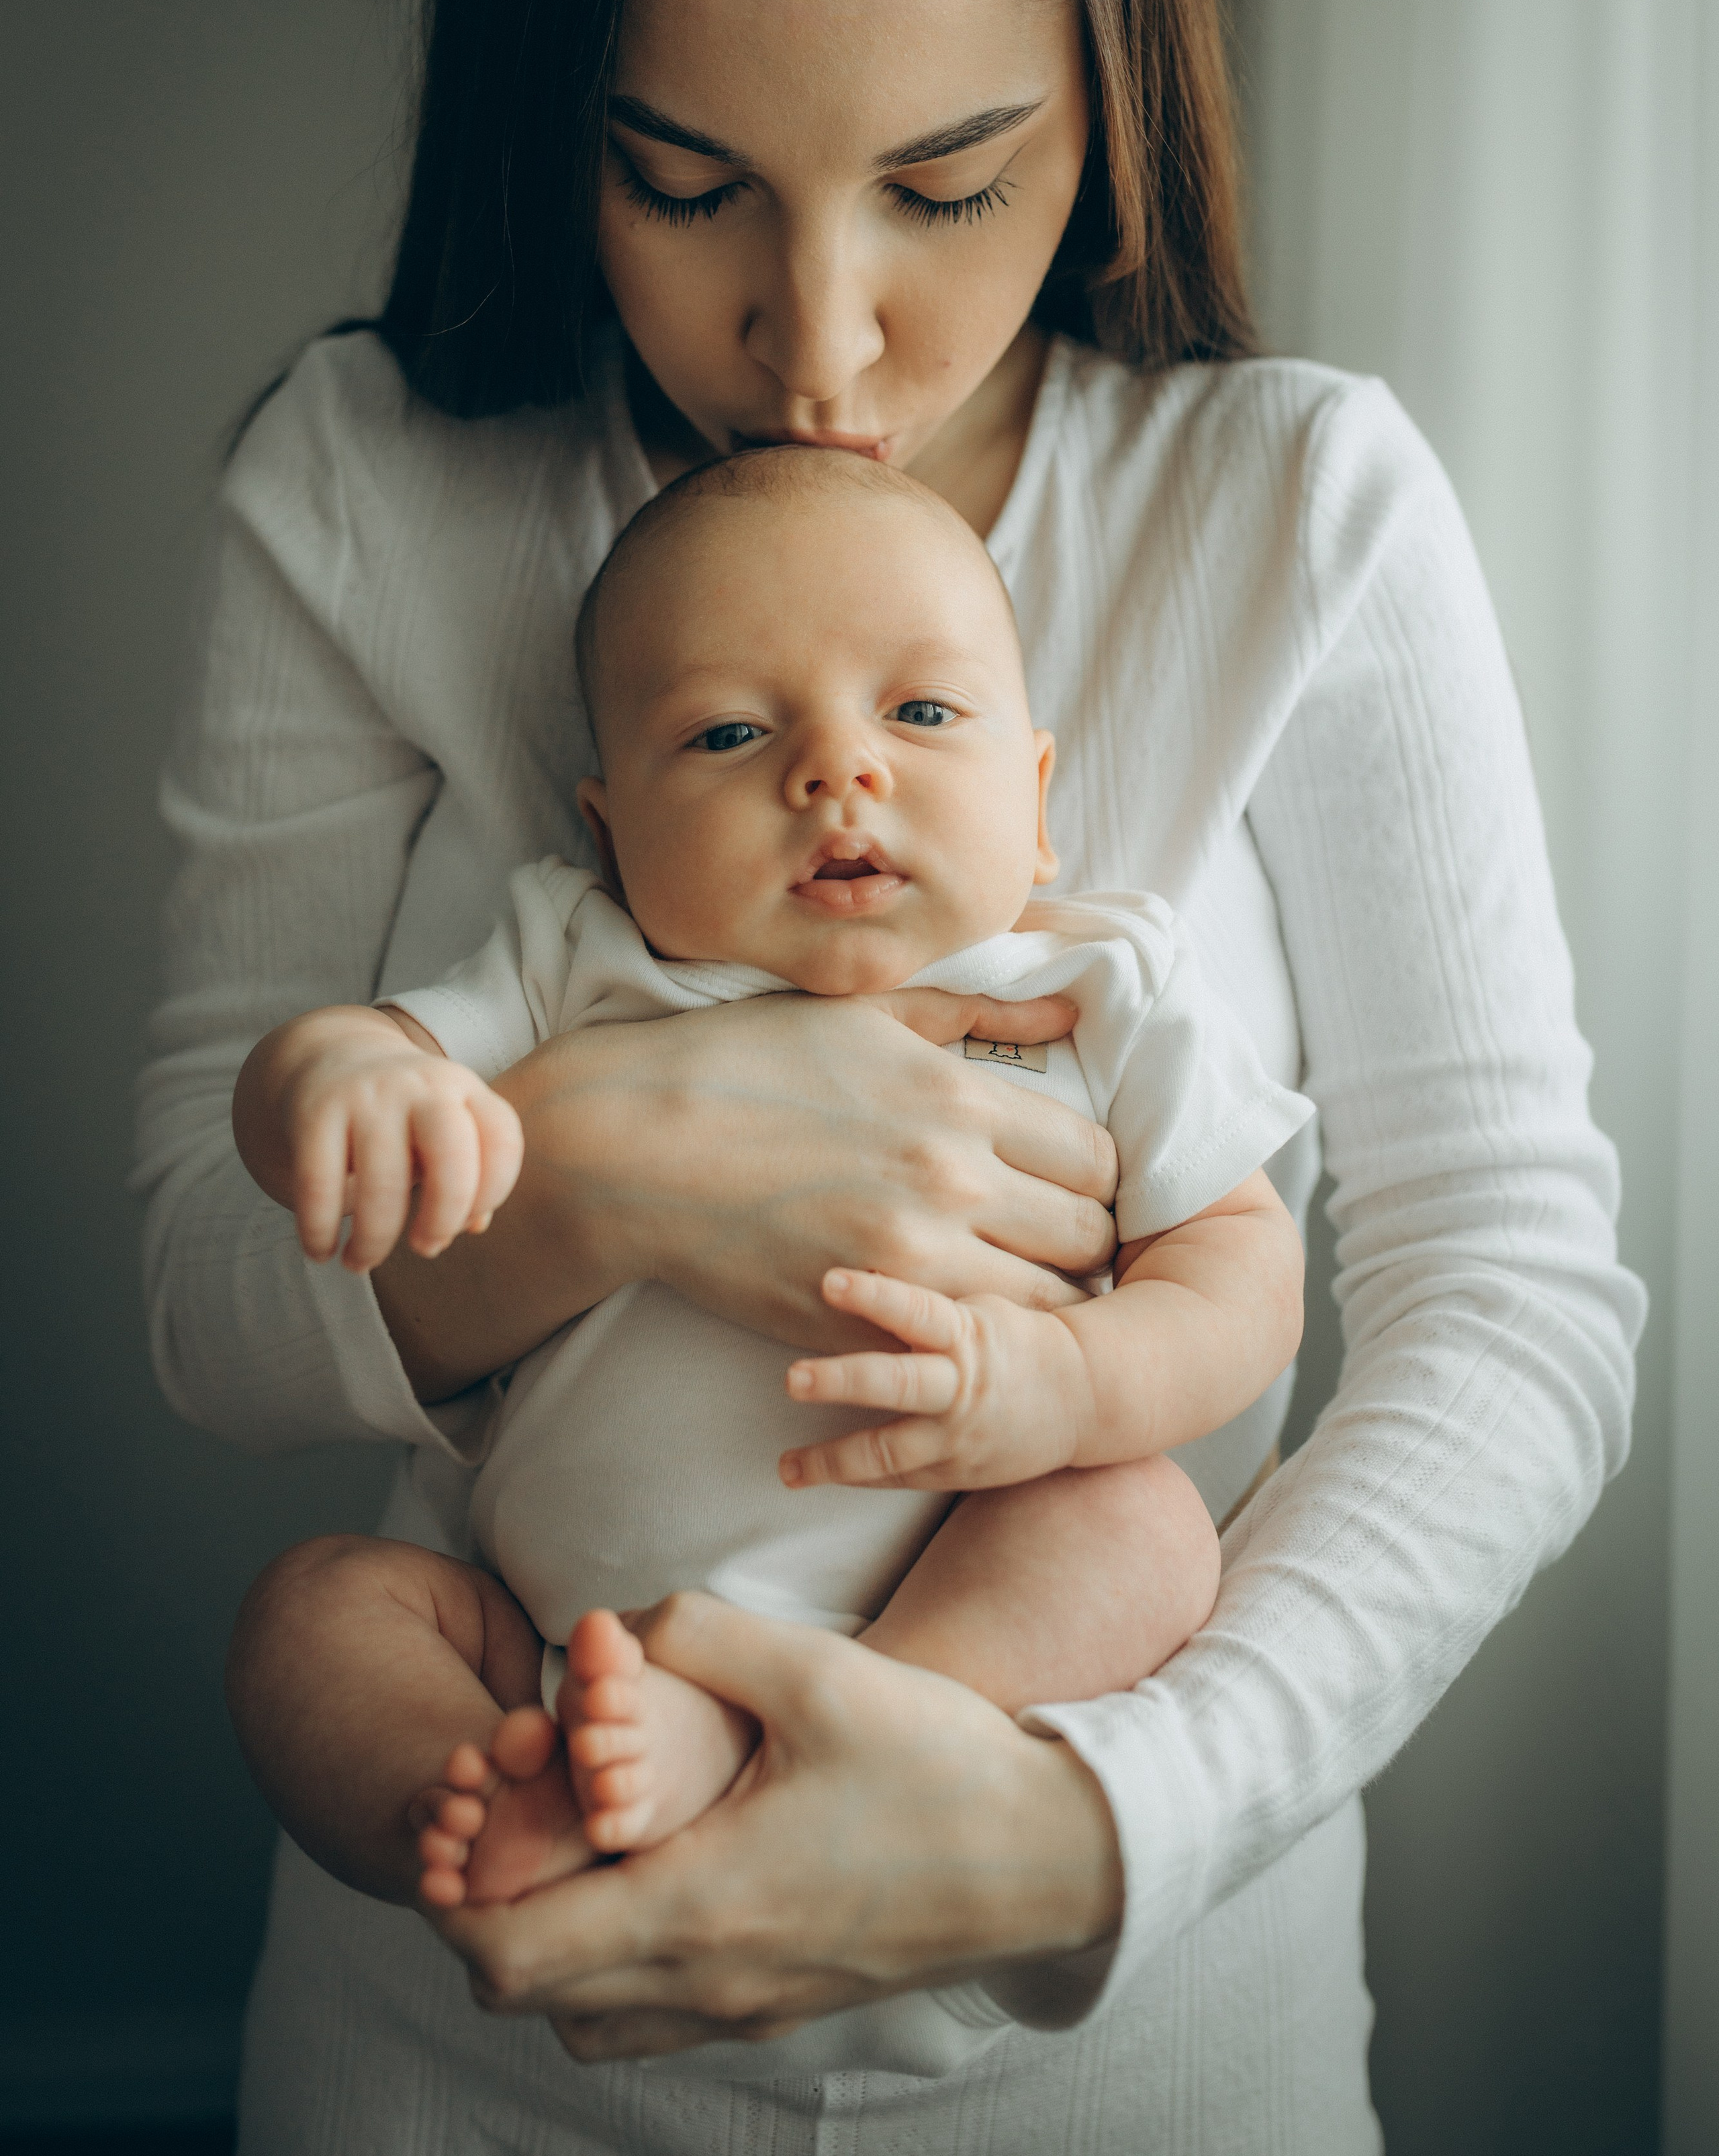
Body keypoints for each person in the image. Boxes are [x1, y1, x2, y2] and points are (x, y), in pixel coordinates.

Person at [133, 0, 1644, 2156]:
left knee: (1110, 1515)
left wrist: (1098, 1822)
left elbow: (1511, 1296)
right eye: (681, 180)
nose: (815, 340)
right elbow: (206, 1285)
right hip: (474, 2030)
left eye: (951, 187)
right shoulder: (371, 492)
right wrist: (625, 1162)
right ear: (555, 97)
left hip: (1134, 2046)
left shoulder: (1291, 514)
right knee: (308, 1639)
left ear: (1114, 87)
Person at [221, 447, 1309, 1918]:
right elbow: (343, 1064)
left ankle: (801, 1749)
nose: (836, 770)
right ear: (611, 834)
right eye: (729, 734)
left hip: (950, 1617)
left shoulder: (1091, 983)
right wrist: (349, 1078)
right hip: (548, 1645)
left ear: (1036, 800)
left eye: (920, 712)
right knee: (315, 1616)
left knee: (1134, 1530)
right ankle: (493, 1814)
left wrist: (1071, 1379)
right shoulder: (576, 956)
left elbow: (1243, 1269)